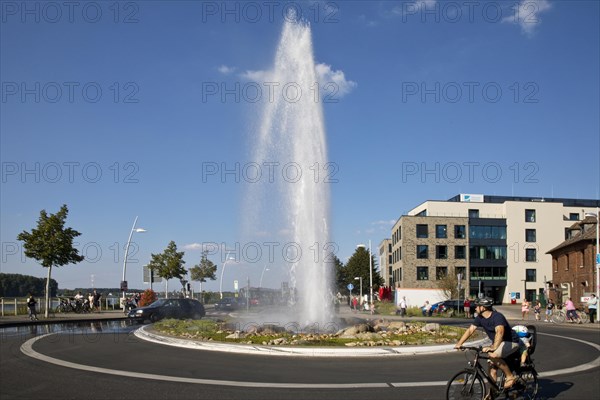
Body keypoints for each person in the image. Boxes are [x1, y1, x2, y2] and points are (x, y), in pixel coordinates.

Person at [454, 297, 519, 389]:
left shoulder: (497, 317)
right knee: (492, 368)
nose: (475, 308)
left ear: (483, 308)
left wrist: (493, 347)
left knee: (493, 355)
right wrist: (459, 344)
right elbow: (470, 330)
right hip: (498, 343)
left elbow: (499, 332)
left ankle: (510, 377)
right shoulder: (480, 318)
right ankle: (492, 393)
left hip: (511, 341)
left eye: (477, 306)